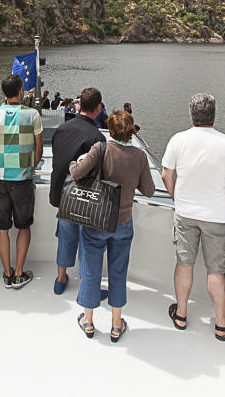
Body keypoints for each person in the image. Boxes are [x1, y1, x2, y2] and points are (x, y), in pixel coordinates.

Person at [161, 92, 225, 341]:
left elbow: (167, 174)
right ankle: (221, 324)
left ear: (192, 114)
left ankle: (181, 314)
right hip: (217, 216)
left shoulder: (178, 140)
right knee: (216, 271)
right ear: (214, 114)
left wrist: (177, 197)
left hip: (186, 212)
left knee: (184, 263)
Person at [69, 111, 155, 341]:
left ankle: (88, 321)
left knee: (90, 270)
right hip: (124, 222)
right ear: (131, 131)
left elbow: (77, 173)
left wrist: (73, 163)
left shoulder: (100, 149)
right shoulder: (139, 156)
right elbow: (149, 190)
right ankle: (116, 325)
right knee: (118, 272)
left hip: (97, 219)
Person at [0, 73, 43, 289]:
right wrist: (31, 168)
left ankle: (6, 273)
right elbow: (39, 147)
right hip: (23, 178)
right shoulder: (32, 115)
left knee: (2, 227)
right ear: (21, 91)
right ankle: (19, 272)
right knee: (24, 226)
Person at [49, 87, 106, 295]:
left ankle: (60, 278)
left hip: (62, 195)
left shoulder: (62, 128)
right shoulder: (97, 137)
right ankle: (85, 284)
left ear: (79, 105)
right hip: (84, 198)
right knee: (86, 242)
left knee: (64, 237)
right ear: (98, 108)